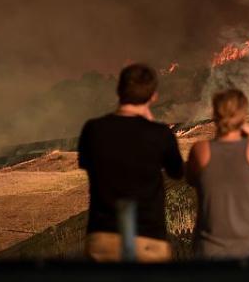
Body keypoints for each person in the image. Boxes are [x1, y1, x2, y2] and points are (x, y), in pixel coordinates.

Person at [78, 63, 184, 262]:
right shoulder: (160, 134)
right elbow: (177, 172)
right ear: (153, 96)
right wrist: (151, 126)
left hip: (103, 238)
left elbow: (86, 164)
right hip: (149, 239)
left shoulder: (93, 130)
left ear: (119, 91)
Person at [186, 88, 249, 259]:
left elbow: (191, 180)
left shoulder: (200, 151)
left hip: (211, 248)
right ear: (243, 114)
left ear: (215, 114)